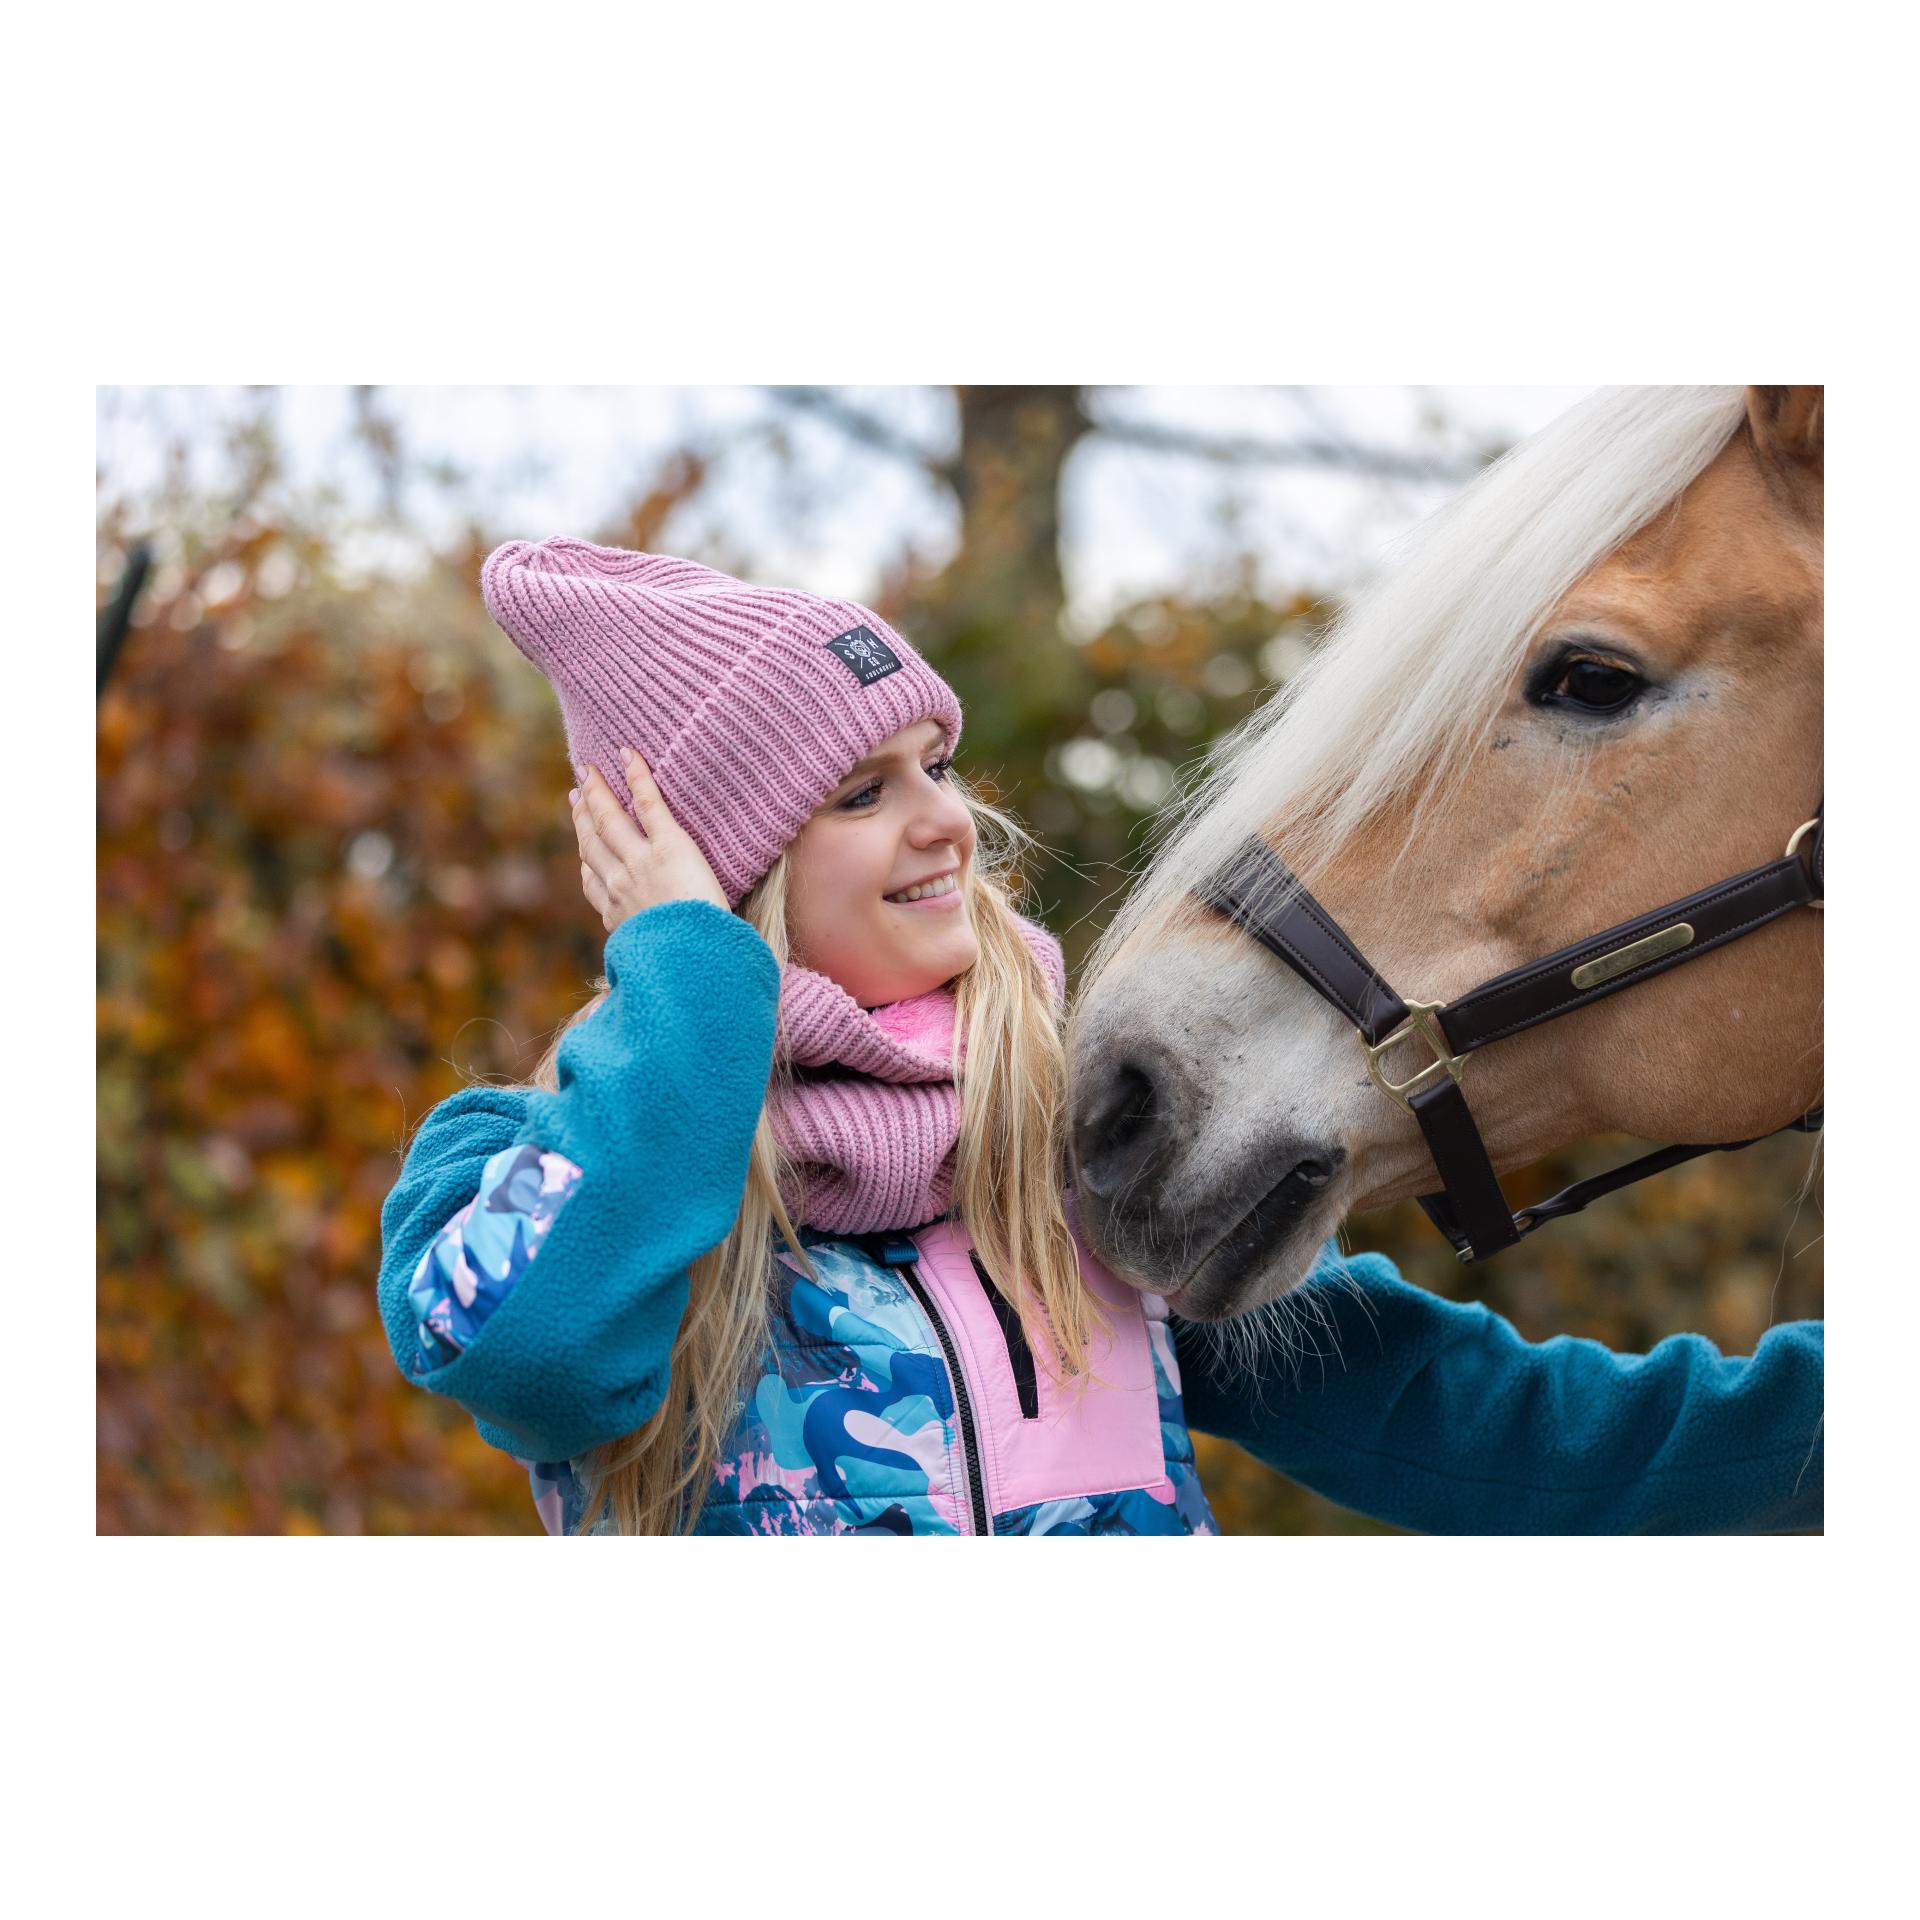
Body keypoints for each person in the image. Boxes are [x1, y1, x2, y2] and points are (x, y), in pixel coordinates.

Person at [376, 538, 1823, 1535]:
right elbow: (544, 1355)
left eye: (932, 766)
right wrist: (689, 981)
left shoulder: (1077, 1171)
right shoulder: (517, 1164)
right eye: (860, 793)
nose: (945, 817)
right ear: (724, 868)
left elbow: (1518, 1436)